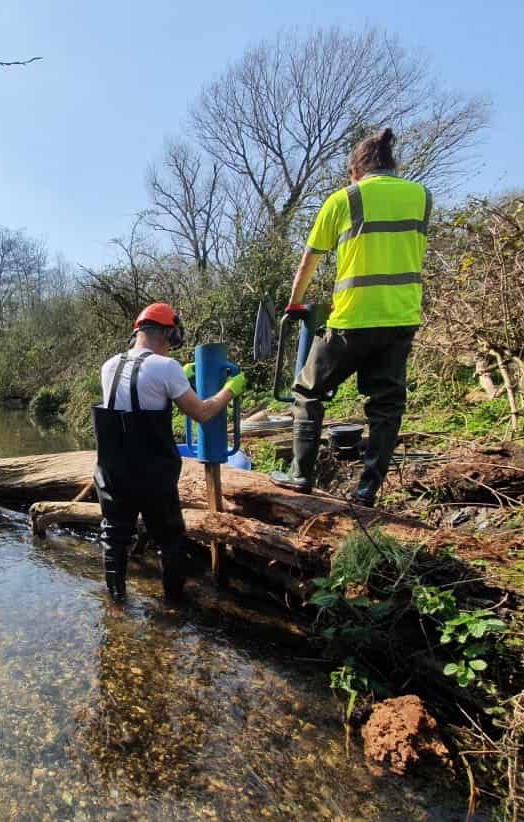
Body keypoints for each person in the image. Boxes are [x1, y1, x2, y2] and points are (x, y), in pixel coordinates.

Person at [271, 127, 432, 507]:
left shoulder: (345, 199)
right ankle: (367, 491)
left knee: (308, 390)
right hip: (400, 318)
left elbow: (310, 259)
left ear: (354, 170)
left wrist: (295, 303)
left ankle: (300, 474)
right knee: (387, 405)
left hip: (353, 319)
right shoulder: (423, 197)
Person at [92, 302, 245, 603]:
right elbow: (201, 412)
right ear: (166, 334)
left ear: (138, 332)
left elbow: (135, 390)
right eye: (172, 341)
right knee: (169, 539)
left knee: (114, 534)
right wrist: (230, 390)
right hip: (152, 473)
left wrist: (177, 376)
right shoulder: (167, 368)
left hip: (111, 471)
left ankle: (116, 602)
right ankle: (174, 605)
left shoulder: (108, 366)